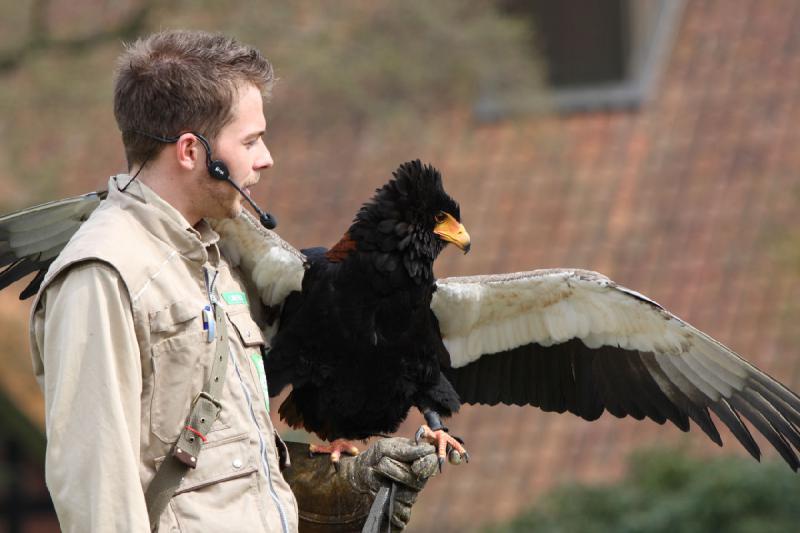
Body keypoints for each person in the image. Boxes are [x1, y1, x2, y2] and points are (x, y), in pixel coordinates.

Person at [29, 29, 438, 532]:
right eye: (250, 141)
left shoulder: (209, 257)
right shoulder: (104, 275)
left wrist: (341, 485)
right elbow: (97, 497)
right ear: (190, 151)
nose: (266, 158)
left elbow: (220, 464)